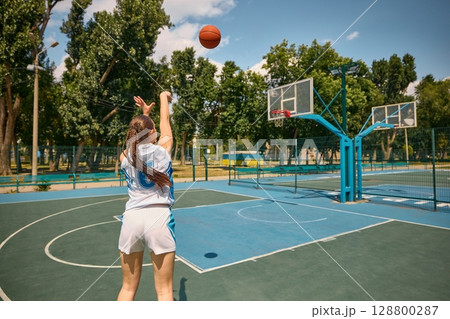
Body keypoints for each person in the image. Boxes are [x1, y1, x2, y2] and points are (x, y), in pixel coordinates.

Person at [117, 91, 175, 301]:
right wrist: (162, 96)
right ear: (152, 133)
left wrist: (143, 115)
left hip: (132, 219)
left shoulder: (125, 156)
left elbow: (137, 138)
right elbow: (165, 119)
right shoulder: (164, 149)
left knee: (127, 289)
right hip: (159, 219)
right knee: (164, 291)